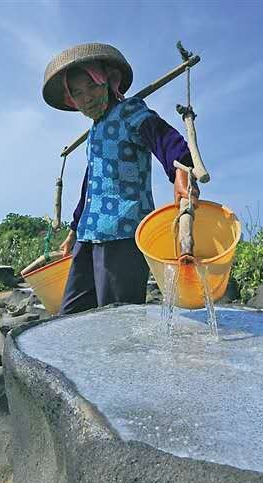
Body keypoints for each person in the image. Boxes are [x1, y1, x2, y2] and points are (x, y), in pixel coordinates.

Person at [42, 43, 199, 315]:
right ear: (71, 100)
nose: (86, 98)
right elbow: (91, 184)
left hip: (123, 232)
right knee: (72, 315)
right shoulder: (95, 130)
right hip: (88, 235)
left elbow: (164, 138)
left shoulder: (129, 112)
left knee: (117, 319)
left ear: (107, 81)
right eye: (77, 93)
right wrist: (74, 230)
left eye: (91, 86)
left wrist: (181, 172)